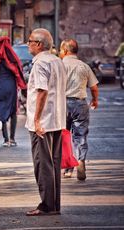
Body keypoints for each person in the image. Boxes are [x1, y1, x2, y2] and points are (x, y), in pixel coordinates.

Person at [25, 28, 67, 216]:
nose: (28, 44)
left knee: (43, 164)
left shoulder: (41, 63)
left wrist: (36, 119)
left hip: (43, 122)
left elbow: (42, 91)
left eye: (30, 41)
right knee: (53, 164)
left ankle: (47, 205)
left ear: (39, 45)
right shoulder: (57, 61)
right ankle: (54, 204)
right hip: (56, 120)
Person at [59, 39, 99, 180]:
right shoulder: (84, 66)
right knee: (80, 135)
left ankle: (67, 169)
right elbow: (94, 87)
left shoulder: (59, 65)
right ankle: (80, 160)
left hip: (62, 104)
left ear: (65, 51)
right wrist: (94, 100)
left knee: (64, 135)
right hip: (80, 104)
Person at [0, 36, 26, 147]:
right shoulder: (13, 57)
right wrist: (22, 86)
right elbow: (19, 71)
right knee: (13, 112)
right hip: (11, 87)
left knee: (2, 111)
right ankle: (13, 139)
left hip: (0, 87)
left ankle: (5, 139)